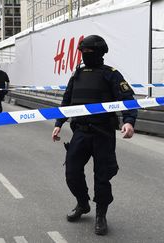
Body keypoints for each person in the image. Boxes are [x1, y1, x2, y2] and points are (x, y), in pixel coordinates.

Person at [51, 35, 137, 235]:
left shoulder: (111, 75)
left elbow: (128, 100)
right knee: (72, 172)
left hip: (102, 133)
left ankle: (101, 214)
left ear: (100, 52)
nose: (85, 55)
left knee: (102, 177)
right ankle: (83, 204)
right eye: (83, 52)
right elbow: (66, 101)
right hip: (80, 132)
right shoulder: (77, 75)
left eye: (89, 52)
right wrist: (58, 123)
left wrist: (129, 122)